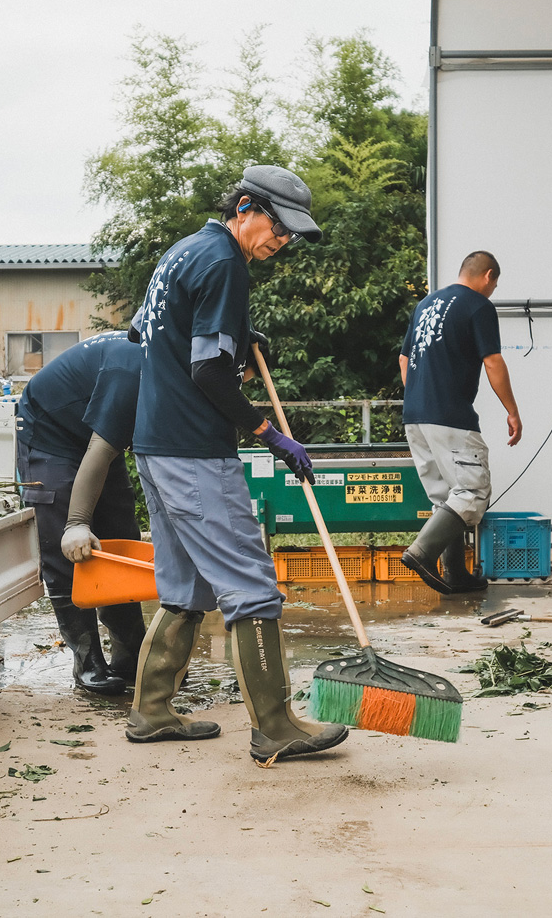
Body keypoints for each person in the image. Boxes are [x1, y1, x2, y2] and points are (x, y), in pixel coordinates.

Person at [124, 165, 348, 764]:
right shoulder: (225, 262)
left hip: (153, 443)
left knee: (186, 585)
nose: (283, 240)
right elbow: (207, 372)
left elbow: (143, 333)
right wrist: (267, 433)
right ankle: (276, 726)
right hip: (195, 449)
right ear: (245, 207)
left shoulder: (181, 252)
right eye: (278, 226)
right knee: (250, 584)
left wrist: (239, 335)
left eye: (291, 233)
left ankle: (152, 711)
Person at [16, 331, 149, 695]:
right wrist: (77, 523)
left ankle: (131, 653)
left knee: (119, 533)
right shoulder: (131, 368)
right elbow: (101, 449)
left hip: (94, 431)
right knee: (67, 545)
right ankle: (87, 660)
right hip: (49, 432)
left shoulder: (169, 359)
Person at [398, 250, 523, 594]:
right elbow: (493, 361)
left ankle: (455, 573)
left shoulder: (425, 305)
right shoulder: (478, 305)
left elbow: (404, 359)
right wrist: (512, 410)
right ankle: (422, 553)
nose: (492, 291)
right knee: (474, 490)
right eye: (494, 284)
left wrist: (422, 397)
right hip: (450, 417)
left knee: (446, 497)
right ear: (488, 275)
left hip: (415, 416)